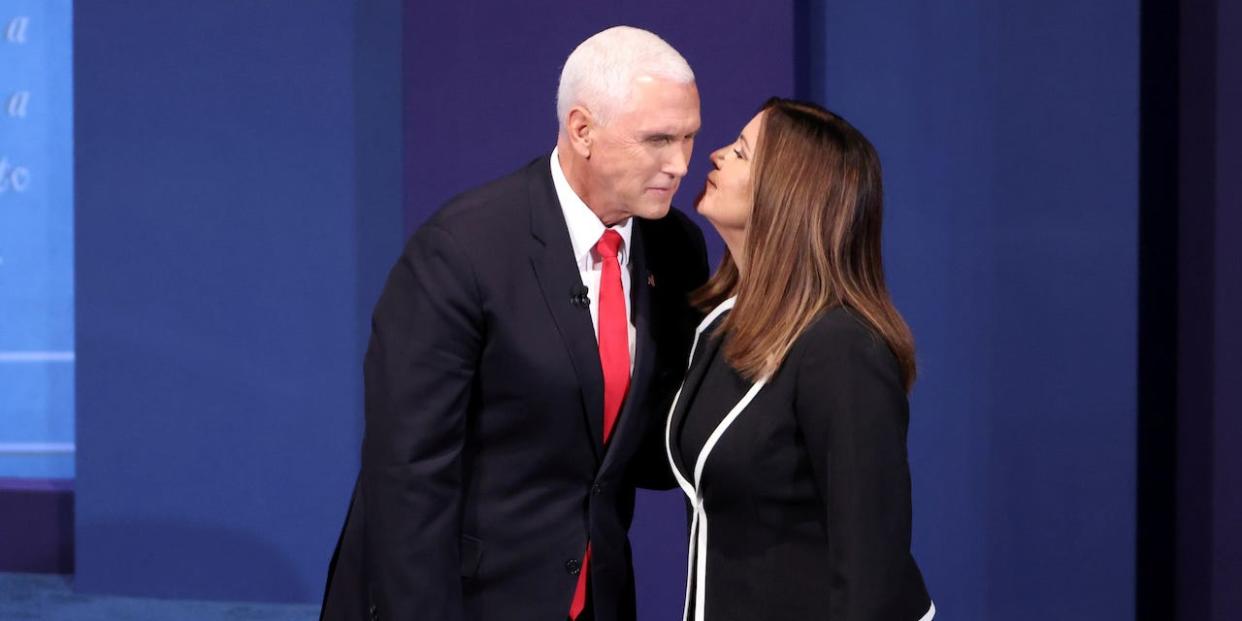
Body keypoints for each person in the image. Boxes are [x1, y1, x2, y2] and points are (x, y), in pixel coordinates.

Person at [320, 26, 708, 621]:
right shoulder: (464, 249)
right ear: (582, 130)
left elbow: (655, 448)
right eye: (658, 140)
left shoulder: (675, 247)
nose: (679, 164)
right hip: (464, 598)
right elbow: (408, 475)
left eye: (688, 138)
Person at [665, 98, 934, 621]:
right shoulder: (723, 325)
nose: (716, 156)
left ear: (787, 195)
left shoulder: (841, 348)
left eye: (741, 152)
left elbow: (871, 572)